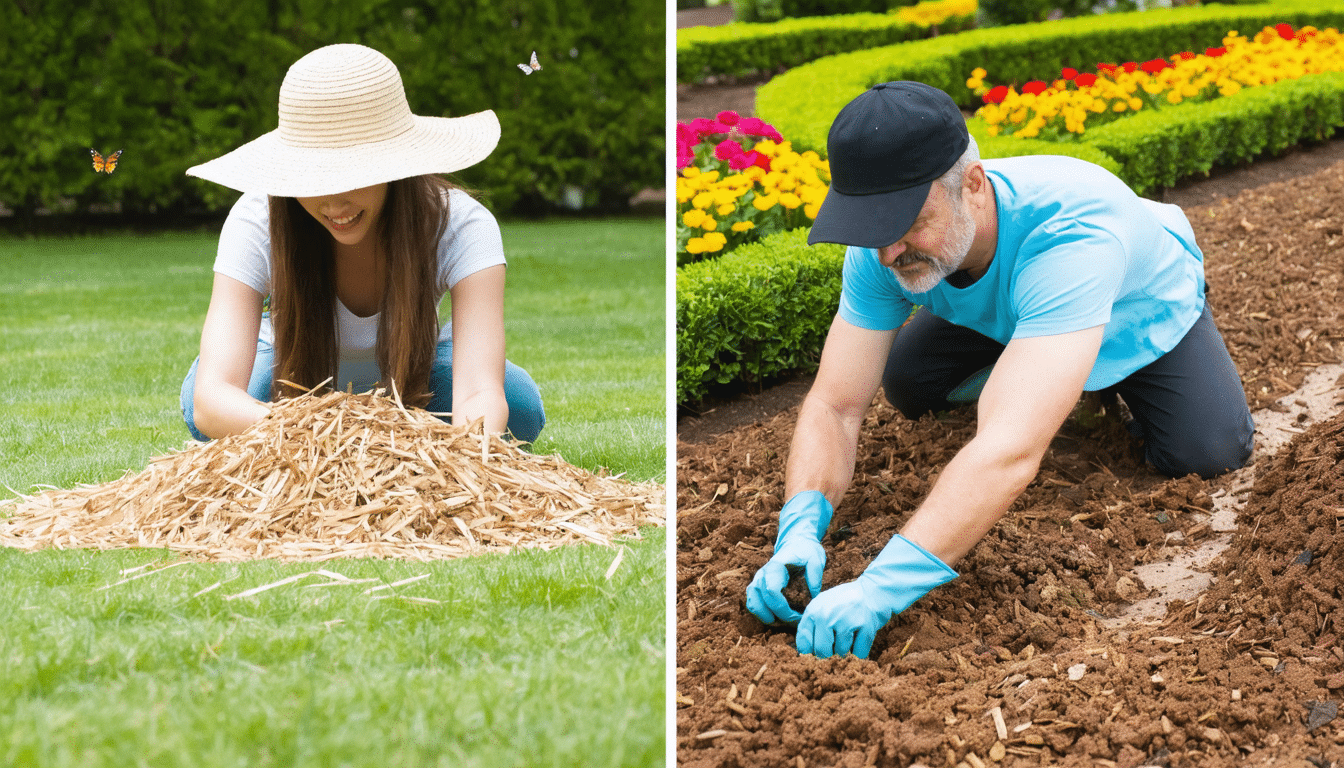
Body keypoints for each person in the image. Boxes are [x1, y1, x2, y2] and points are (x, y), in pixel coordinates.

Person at [745, 81, 1254, 660]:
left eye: (909, 220)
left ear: (973, 185)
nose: (889, 251)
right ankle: (1039, 372)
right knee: (910, 384)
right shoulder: (886, 246)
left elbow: (1009, 448)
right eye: (874, 226)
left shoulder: (1074, 230)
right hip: (1018, 311)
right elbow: (835, 404)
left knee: (1209, 451)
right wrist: (800, 525)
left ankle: (1069, 381)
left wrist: (880, 587)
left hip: (1136, 311)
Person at [180, 44, 545, 444]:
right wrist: (334, 441)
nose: (335, 203)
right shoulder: (257, 218)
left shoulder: (461, 224)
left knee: (517, 405)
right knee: (228, 410)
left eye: (354, 174)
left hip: (417, 374)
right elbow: (213, 398)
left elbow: (478, 393)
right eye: (314, 178)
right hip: (288, 376)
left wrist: (458, 461)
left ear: (395, 165)